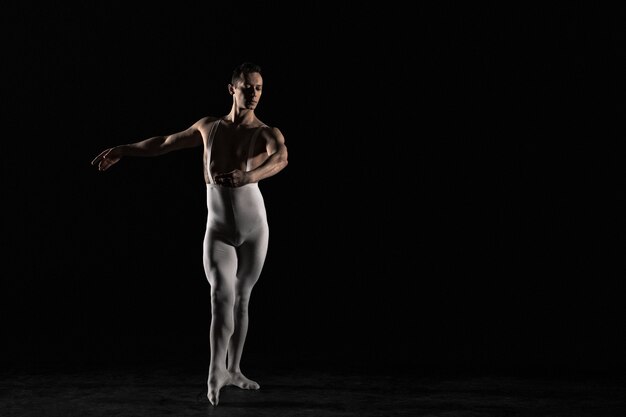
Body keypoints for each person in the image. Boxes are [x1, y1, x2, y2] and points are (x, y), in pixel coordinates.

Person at [91, 62, 288, 406]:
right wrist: (123, 149)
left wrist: (249, 176)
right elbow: (164, 143)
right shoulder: (208, 127)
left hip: (255, 229)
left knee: (243, 298)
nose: (253, 94)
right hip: (219, 231)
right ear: (232, 89)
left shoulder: (266, 132)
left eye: (258, 88)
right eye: (247, 87)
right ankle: (216, 372)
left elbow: (281, 158)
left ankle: (235, 369)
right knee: (220, 298)